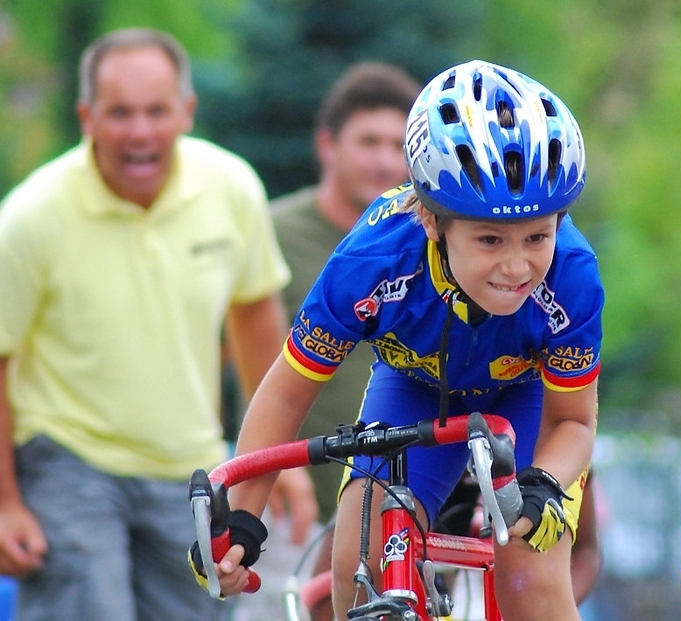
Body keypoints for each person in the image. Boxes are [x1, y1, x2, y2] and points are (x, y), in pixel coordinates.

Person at [199, 60, 603, 621]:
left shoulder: (572, 275)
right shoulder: (373, 260)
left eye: (538, 236)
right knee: (356, 565)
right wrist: (244, 519)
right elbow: (285, 394)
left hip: (527, 397)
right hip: (415, 386)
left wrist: (543, 483)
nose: (517, 266)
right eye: (490, 240)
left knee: (527, 578)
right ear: (432, 222)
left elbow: (574, 423)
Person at [0, 27, 313, 621]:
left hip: (188, 466)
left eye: (156, 111)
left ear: (186, 112)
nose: (140, 132)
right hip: (68, 461)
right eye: (120, 113)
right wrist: (4, 502)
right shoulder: (30, 218)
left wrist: (273, 465)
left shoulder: (232, 189)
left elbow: (254, 319)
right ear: (87, 117)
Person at [228, 61, 421, 621]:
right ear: (327, 145)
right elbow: (225, 349)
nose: (385, 160)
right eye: (368, 141)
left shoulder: (439, 244)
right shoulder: (274, 232)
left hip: (393, 495)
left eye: (398, 145)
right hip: (290, 493)